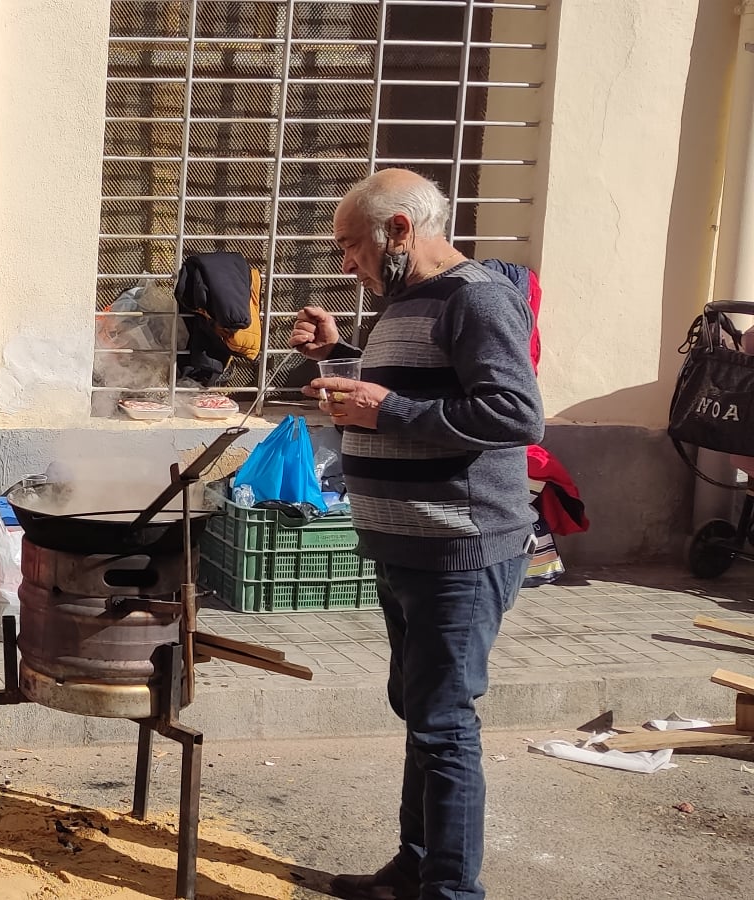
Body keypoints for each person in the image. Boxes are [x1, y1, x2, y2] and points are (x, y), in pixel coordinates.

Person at [292, 168, 543, 900]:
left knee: (442, 725)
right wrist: (339, 358)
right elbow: (406, 391)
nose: (348, 263)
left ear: (400, 229)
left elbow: (515, 415)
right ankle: (414, 869)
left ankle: (450, 891)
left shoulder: (477, 298)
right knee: (421, 714)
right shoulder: (406, 300)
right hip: (407, 545)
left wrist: (386, 410)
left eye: (352, 245)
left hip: (456, 549)